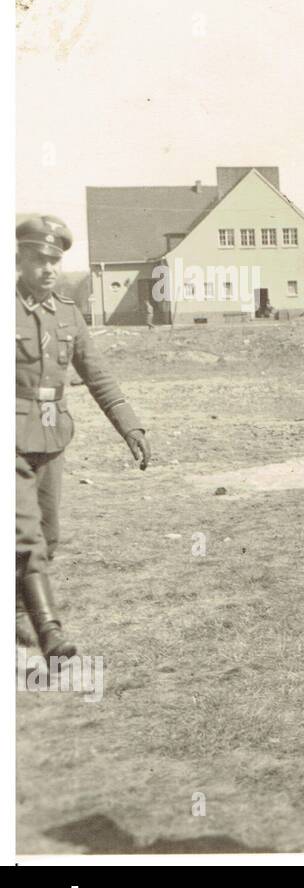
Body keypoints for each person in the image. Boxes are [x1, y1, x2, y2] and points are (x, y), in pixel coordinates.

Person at [16, 215, 150, 658]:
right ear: (20, 258)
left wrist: (129, 425)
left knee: (48, 535)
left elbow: (98, 376)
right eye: (39, 259)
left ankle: (18, 611)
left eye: (55, 260)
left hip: (52, 436)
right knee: (26, 536)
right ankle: (49, 630)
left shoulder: (69, 315)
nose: (49, 268)